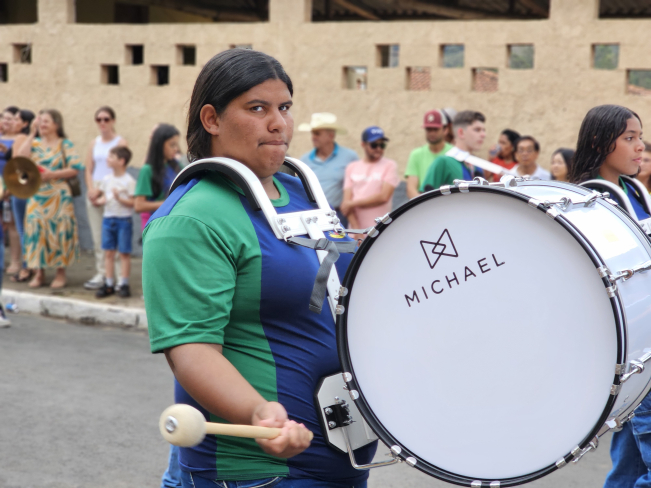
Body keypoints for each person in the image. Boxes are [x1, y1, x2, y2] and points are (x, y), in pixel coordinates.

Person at [143, 48, 376, 488]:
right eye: (257, 108)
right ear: (211, 119)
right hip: (255, 471)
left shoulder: (302, 193)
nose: (278, 123)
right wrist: (258, 412)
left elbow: (331, 296)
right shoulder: (191, 219)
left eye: (284, 107)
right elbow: (192, 351)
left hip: (343, 458)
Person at [14, 109, 83, 289]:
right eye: (40, 121)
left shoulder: (64, 144)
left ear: (56, 124)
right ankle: (39, 272)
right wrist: (31, 134)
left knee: (59, 232)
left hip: (59, 196)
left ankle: (60, 273)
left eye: (46, 121)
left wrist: (53, 174)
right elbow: (19, 159)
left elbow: (75, 168)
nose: (42, 124)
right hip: (37, 195)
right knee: (37, 232)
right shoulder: (35, 143)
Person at [84, 106, 128, 291]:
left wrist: (107, 189)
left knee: (114, 233)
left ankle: (118, 276)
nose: (102, 122)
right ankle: (101, 273)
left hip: (112, 188)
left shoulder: (120, 142)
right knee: (98, 235)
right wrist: (91, 189)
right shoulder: (94, 143)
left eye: (106, 119)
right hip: (96, 187)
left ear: (113, 121)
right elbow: (88, 169)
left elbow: (121, 167)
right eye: (99, 119)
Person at [298, 112, 357, 227]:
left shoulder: (349, 157)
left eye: (317, 133)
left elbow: (358, 187)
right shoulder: (305, 160)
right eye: (312, 133)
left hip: (339, 215)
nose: (313, 137)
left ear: (331, 135)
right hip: (313, 215)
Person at [341, 126, 399, 236]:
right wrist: (357, 231)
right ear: (363, 144)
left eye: (382, 145)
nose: (379, 148)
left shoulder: (389, 165)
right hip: (356, 233)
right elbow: (345, 205)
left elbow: (384, 197)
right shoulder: (351, 167)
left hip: (380, 232)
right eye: (374, 145)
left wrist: (353, 203)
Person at [94, 146, 135, 298]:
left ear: (121, 161)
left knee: (124, 253)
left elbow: (133, 202)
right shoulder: (106, 179)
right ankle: (109, 283)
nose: (108, 159)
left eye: (111, 157)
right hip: (108, 219)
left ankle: (124, 283)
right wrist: (99, 201)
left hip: (124, 220)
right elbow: (105, 197)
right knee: (109, 252)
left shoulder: (129, 181)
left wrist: (119, 198)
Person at [420, 110, 486, 192]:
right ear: (461, 133)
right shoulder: (443, 162)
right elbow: (424, 196)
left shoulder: (477, 165)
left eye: (484, 130)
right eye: (477, 130)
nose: (483, 135)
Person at [134, 124, 181, 229]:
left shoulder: (176, 166)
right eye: (172, 145)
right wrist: (168, 203)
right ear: (159, 145)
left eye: (176, 145)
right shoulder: (147, 170)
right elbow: (139, 205)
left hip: (175, 223)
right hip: (158, 225)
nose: (176, 149)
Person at [9, 109, 36, 283]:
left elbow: (16, 162)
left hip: (21, 188)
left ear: (25, 123)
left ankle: (27, 266)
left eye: (16, 119)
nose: (13, 122)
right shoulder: (35, 140)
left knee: (22, 229)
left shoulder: (21, 138)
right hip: (33, 187)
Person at [404, 109, 453, 199]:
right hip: (424, 204)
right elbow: (411, 189)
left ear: (445, 130)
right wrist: (425, 204)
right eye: (428, 129)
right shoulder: (416, 154)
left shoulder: (454, 153)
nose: (432, 133)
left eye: (435, 129)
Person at [0, 106, 24, 276]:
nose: (6, 121)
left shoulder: (19, 140)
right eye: (4, 118)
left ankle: (16, 261)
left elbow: (18, 164)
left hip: (10, 187)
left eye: (10, 118)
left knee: (12, 225)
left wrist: (9, 187)